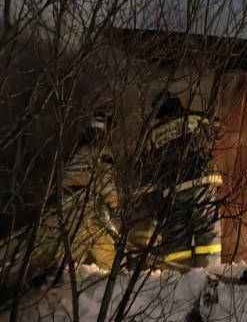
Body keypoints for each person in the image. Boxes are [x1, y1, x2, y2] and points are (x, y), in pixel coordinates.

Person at [0, 110, 120, 289]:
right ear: (105, 131)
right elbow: (107, 183)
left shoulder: (74, 152)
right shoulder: (102, 152)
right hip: (84, 211)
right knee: (107, 252)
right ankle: (114, 288)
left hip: (63, 207)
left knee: (49, 252)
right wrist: (115, 204)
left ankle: (23, 285)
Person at [129, 93, 223, 268]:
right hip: (201, 181)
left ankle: (178, 276)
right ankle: (210, 272)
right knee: (206, 229)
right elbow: (218, 132)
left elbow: (148, 167)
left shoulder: (153, 134)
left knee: (176, 237)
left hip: (173, 189)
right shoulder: (195, 118)